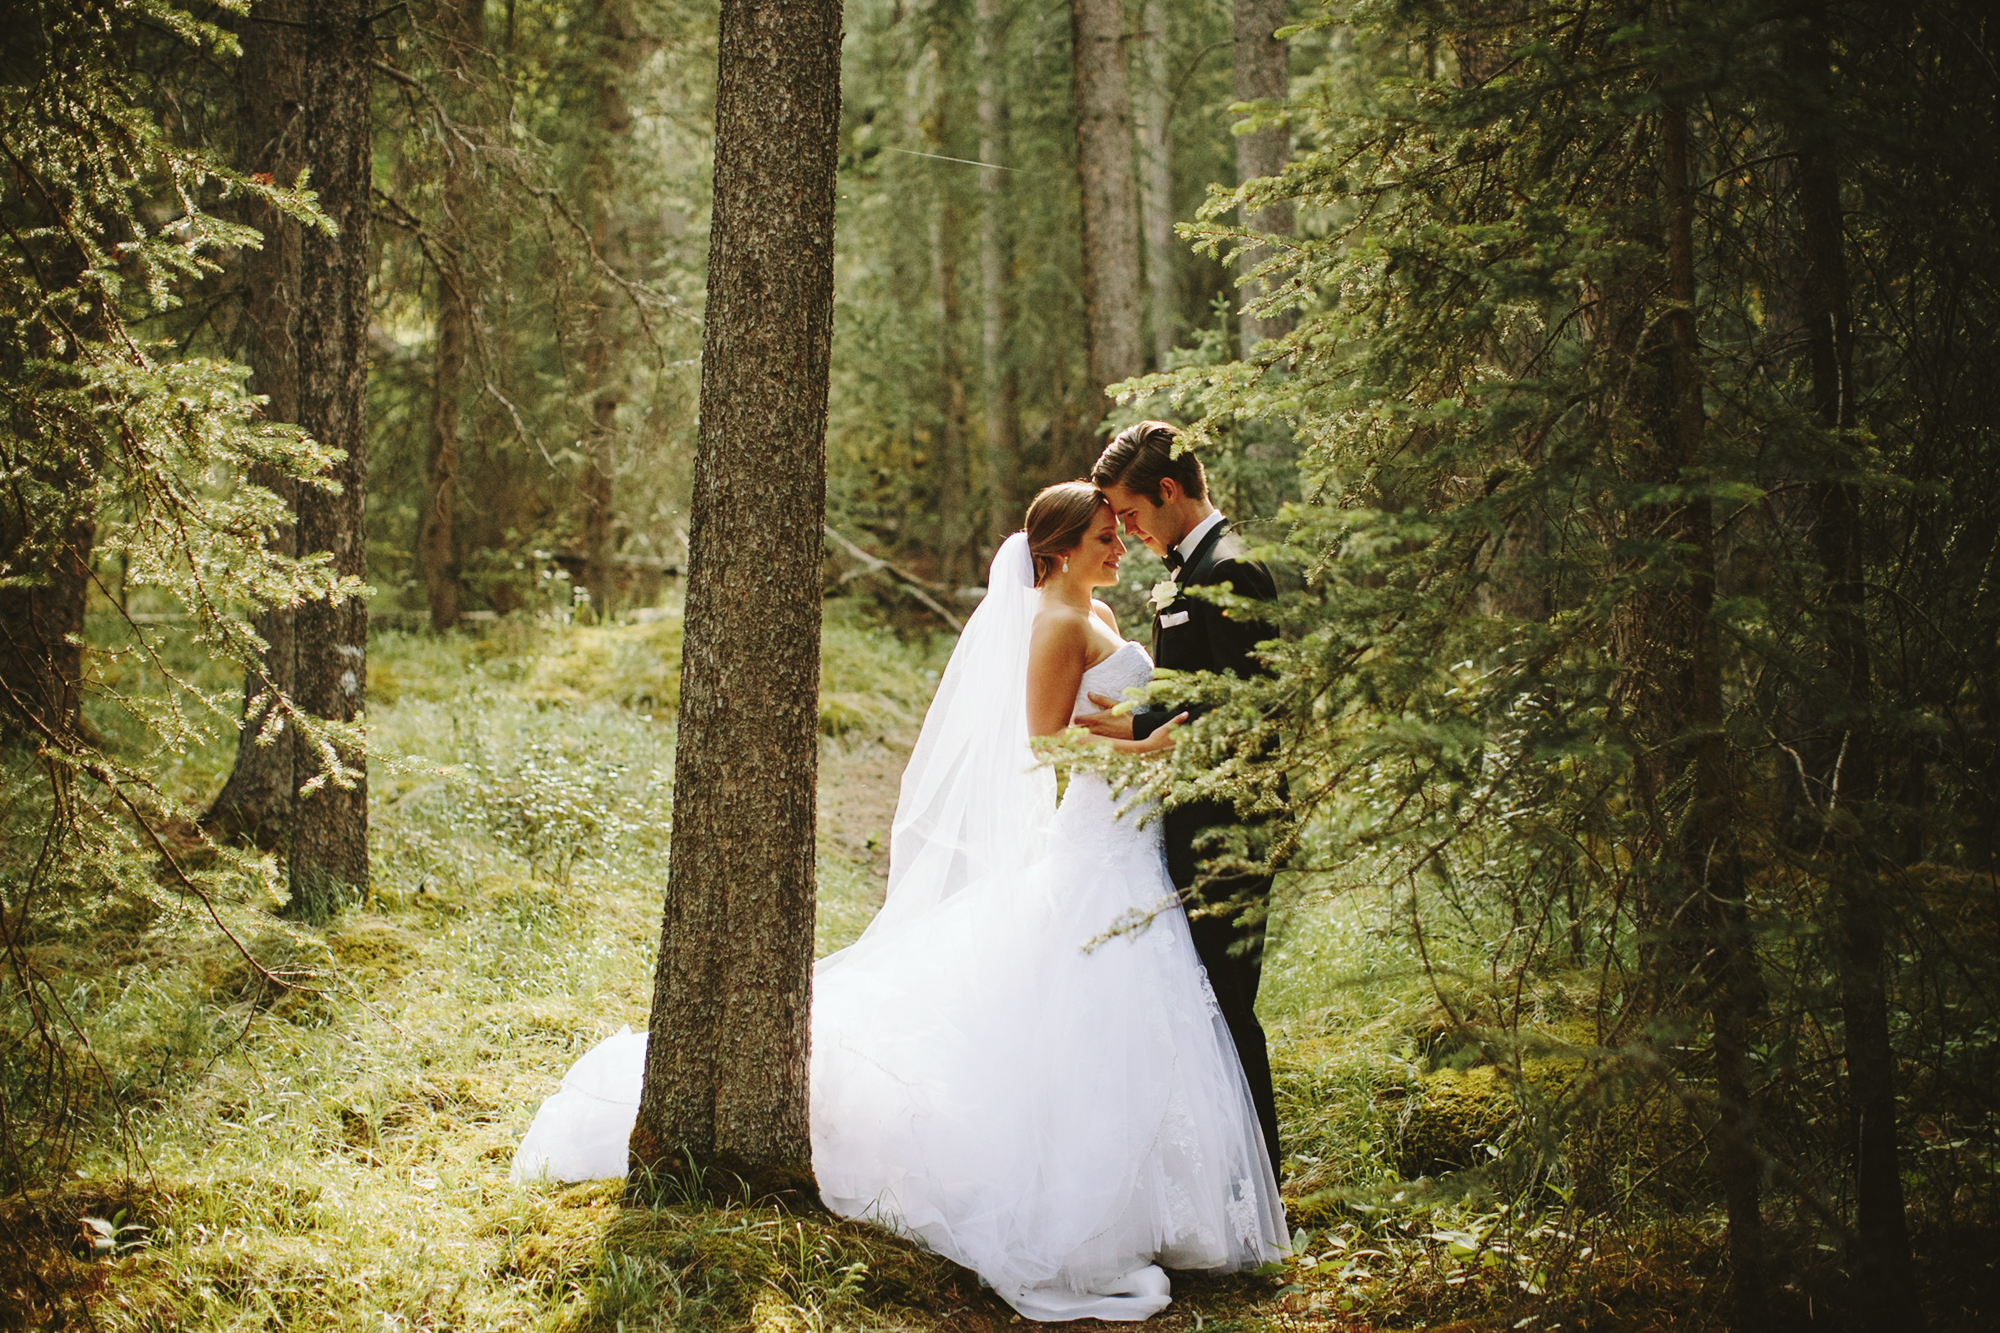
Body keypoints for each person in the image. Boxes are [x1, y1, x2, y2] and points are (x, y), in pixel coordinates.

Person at [511, 482, 1287, 1322]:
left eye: (1119, 530)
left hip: (1128, 838)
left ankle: (1169, 1203)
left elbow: (1088, 715)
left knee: (1135, 1013)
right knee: (1097, 1011)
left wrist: (1141, 734)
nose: (1120, 545)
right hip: (1102, 835)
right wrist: (1148, 747)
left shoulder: (1091, 615)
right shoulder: (1058, 623)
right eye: (1106, 535)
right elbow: (1041, 738)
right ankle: (1095, 1207)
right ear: (1063, 549)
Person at [1078, 421, 1284, 1173]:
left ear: (1168, 491)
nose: (1125, 531)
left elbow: (1247, 705)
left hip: (1232, 824)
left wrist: (1139, 730)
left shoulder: (1233, 570)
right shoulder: (1189, 573)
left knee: (1228, 1009)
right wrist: (1137, 723)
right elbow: (1193, 690)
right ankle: (1224, 1185)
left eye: (1129, 513)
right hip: (1191, 816)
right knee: (1201, 1009)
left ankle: (1262, 1193)